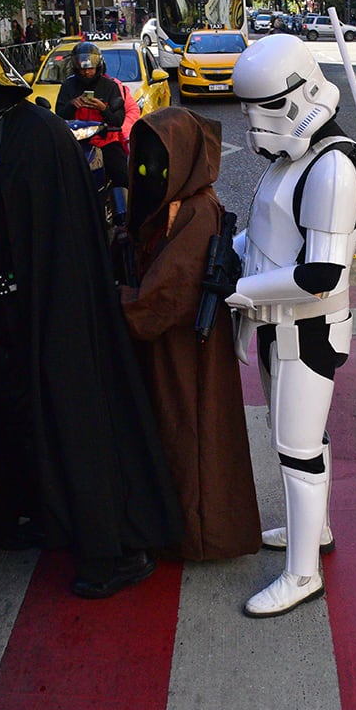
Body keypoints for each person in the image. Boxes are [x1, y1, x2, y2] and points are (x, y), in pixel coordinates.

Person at [0, 0, 181, 598]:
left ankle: (103, 552)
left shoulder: (36, 135)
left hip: (46, 313)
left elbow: (66, 250)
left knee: (69, 415)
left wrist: (48, 314)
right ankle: (8, 515)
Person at [221, 34, 356, 617]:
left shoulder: (333, 166)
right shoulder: (297, 157)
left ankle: (303, 573)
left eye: (267, 108)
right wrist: (227, 257)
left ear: (301, 95)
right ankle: (316, 531)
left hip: (307, 328)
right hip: (276, 323)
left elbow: (321, 274)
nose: (256, 125)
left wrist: (238, 291)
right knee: (299, 443)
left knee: (298, 449)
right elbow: (267, 237)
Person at [119, 106, 262, 561]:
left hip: (186, 351)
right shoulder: (175, 202)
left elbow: (166, 297)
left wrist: (111, 301)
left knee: (192, 435)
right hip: (169, 349)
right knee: (172, 432)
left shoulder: (197, 210)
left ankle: (199, 535)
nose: (150, 174)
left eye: (160, 163)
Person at [57, 42, 129, 227]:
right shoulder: (68, 86)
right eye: (82, 69)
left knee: (121, 173)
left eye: (90, 69)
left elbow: (118, 120)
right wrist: (72, 105)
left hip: (105, 139)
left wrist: (103, 108)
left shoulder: (110, 86)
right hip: (76, 141)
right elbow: (59, 114)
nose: (86, 73)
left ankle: (124, 217)